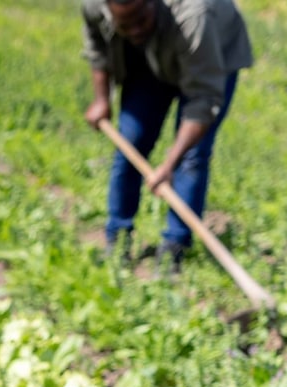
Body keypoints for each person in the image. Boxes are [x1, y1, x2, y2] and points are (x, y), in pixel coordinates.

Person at [81, 0, 253, 264]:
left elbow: (203, 101)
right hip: (152, 57)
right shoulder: (96, 5)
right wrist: (101, 98)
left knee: (192, 157)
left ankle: (174, 248)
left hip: (210, 56)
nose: (136, 30)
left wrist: (169, 163)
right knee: (130, 144)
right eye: (125, 25)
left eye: (141, 19)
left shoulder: (194, 17)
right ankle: (117, 241)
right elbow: (96, 44)